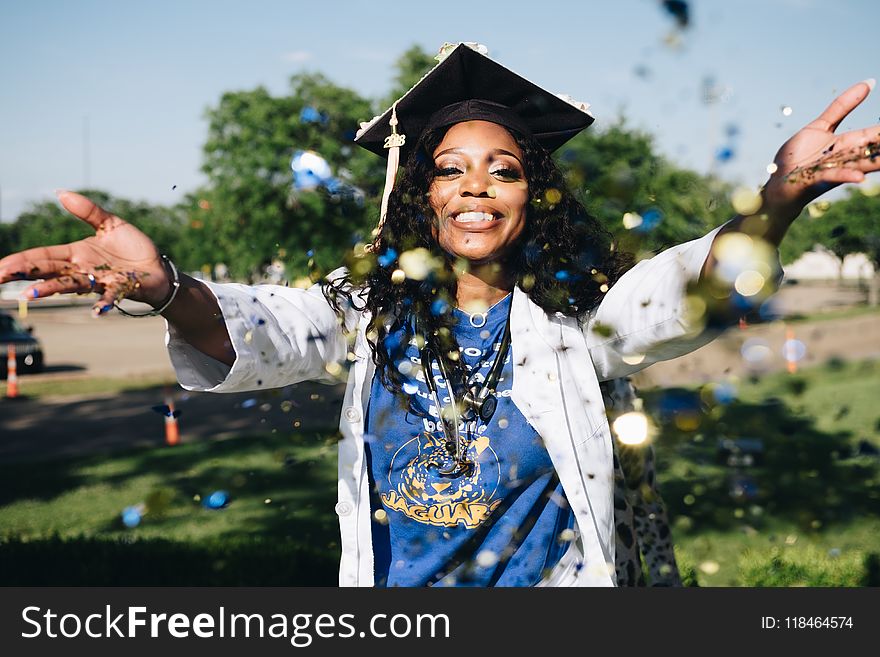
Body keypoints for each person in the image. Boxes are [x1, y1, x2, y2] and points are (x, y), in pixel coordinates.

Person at [0, 43, 876, 586]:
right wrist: (164, 287)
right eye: (450, 168)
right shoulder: (366, 316)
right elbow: (260, 326)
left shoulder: (579, 324)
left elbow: (686, 289)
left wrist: (779, 198)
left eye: (504, 168)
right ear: (420, 193)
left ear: (535, 193)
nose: (476, 189)